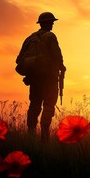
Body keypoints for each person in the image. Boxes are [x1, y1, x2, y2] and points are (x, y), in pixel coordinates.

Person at [16, 12, 66, 143]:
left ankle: (31, 136)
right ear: (47, 23)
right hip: (49, 78)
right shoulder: (50, 36)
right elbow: (57, 55)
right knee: (49, 105)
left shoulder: (29, 38)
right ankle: (45, 137)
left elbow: (19, 59)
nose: (53, 24)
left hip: (34, 79)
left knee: (34, 106)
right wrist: (62, 66)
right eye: (51, 22)